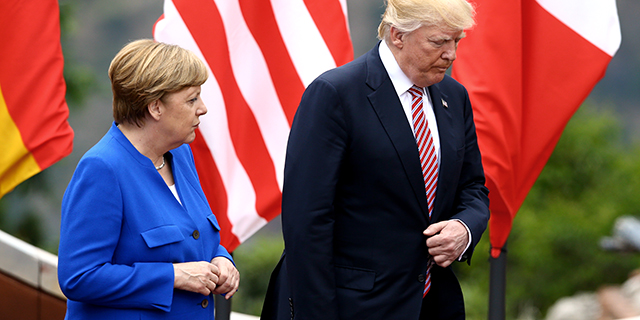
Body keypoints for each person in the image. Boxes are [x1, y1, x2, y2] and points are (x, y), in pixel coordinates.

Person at [261, 0, 490, 319]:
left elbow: (474, 188)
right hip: (350, 305)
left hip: (433, 303)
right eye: (439, 42)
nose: (451, 54)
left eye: (456, 41)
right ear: (398, 35)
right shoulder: (335, 93)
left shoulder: (454, 96)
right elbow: (307, 219)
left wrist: (465, 228)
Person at [57, 39, 239, 320]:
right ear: (155, 107)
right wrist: (172, 276)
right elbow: (79, 277)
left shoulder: (180, 154)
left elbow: (194, 235)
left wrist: (221, 259)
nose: (202, 108)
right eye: (192, 99)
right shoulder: (102, 169)